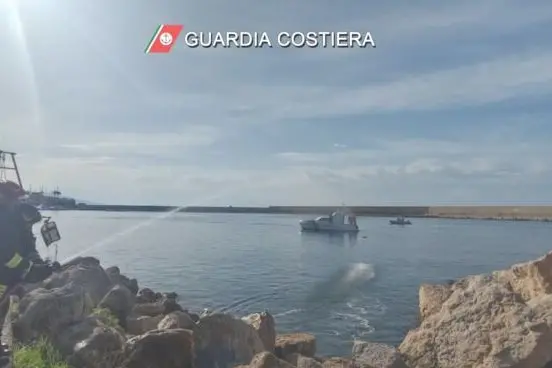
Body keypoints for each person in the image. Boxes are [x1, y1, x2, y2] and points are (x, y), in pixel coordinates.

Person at [0, 181, 55, 297]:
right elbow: (8, 256)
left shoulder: (16, 221)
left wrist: (37, 262)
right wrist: (29, 268)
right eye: (17, 200)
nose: (18, 203)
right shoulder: (5, 223)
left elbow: (28, 247)